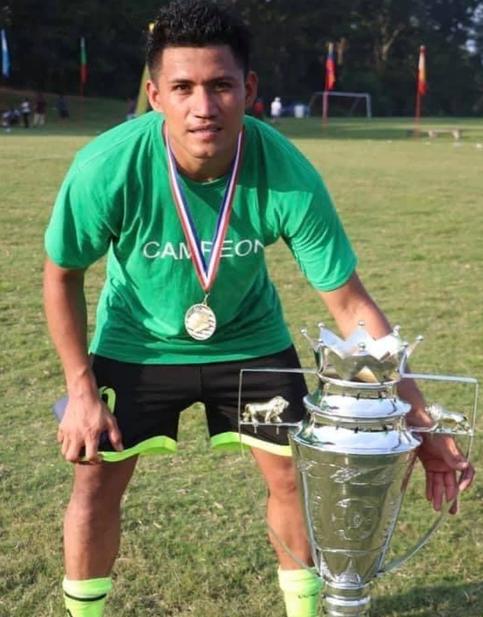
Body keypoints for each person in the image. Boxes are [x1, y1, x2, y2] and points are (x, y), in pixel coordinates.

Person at [43, 2, 474, 617]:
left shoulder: (288, 173)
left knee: (295, 478)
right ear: (155, 95)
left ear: (249, 89)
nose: (203, 106)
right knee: (94, 480)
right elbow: (61, 274)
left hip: (250, 339)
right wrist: (80, 390)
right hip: (137, 341)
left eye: (220, 85)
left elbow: (350, 303)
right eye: (183, 88)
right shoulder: (105, 168)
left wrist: (421, 422)